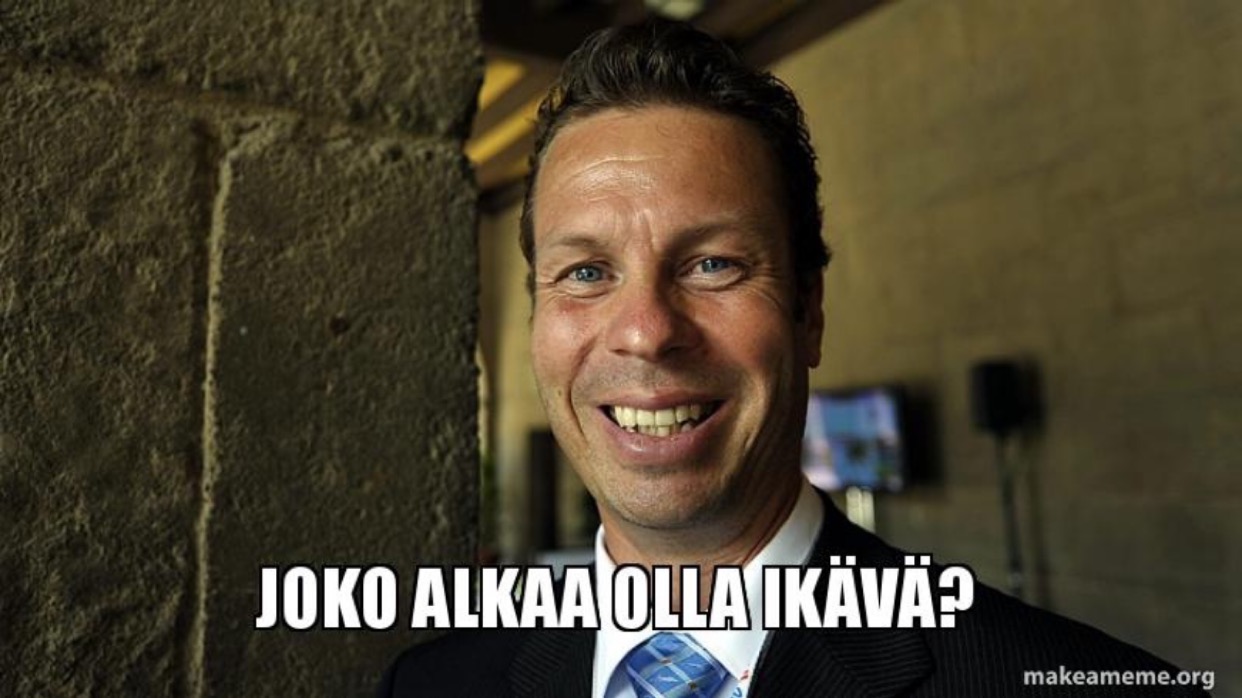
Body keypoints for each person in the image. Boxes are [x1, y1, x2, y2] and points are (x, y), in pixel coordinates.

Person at [380, 18, 1203, 697]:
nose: (646, 331)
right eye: (587, 273)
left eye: (713, 264)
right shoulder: (432, 686)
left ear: (809, 311)